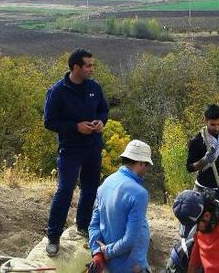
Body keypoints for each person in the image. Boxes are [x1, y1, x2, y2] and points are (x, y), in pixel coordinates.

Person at [44, 48, 109, 256]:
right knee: (65, 190)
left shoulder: (94, 87)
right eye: (88, 65)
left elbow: (104, 110)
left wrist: (101, 122)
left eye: (92, 64)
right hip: (70, 148)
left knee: (90, 189)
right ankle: (53, 237)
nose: (92, 69)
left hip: (93, 147)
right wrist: (75, 127)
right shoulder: (58, 91)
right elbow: (49, 121)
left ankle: (83, 226)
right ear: (75, 67)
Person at [88, 140, 153, 272]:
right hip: (132, 266)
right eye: (147, 165)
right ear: (140, 163)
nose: (147, 169)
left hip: (110, 266)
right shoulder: (139, 193)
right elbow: (130, 240)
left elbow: (94, 224)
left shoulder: (107, 182)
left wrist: (97, 252)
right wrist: (107, 251)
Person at [186, 104, 219, 202]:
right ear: (205, 121)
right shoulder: (197, 141)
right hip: (203, 190)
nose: (217, 128)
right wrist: (204, 160)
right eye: (213, 125)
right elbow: (189, 167)